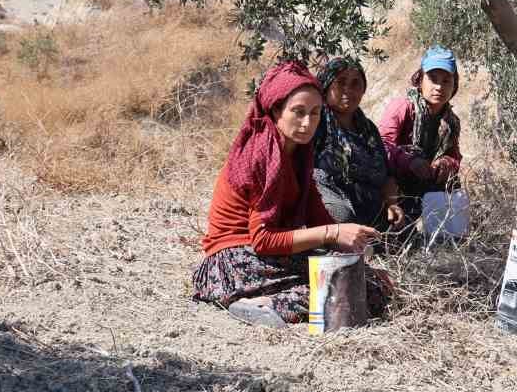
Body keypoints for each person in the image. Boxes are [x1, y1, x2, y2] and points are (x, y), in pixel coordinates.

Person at [191, 60, 390, 329]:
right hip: (236, 262)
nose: (308, 123)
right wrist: (332, 235)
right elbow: (263, 240)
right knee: (346, 290)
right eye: (298, 112)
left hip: (262, 257)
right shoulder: (263, 153)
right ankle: (266, 305)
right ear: (276, 110)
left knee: (373, 284)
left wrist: (348, 241)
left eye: (316, 113)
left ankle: (268, 301)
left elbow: (317, 216)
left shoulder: (298, 151)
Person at [311, 56, 406, 230]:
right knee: (341, 216)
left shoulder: (368, 128)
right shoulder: (316, 121)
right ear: (326, 86)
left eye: (355, 83)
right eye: (340, 82)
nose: (348, 89)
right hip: (334, 205)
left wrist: (392, 204)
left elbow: (388, 176)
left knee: (406, 228)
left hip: (371, 206)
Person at [378, 46, 463, 218]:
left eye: (446, 81)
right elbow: (382, 146)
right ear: (420, 80)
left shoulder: (451, 122)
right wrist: (410, 161)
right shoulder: (403, 107)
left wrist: (446, 163)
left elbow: (454, 156)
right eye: (433, 79)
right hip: (396, 183)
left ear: (454, 85)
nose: (439, 87)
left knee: (454, 187)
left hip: (428, 184)